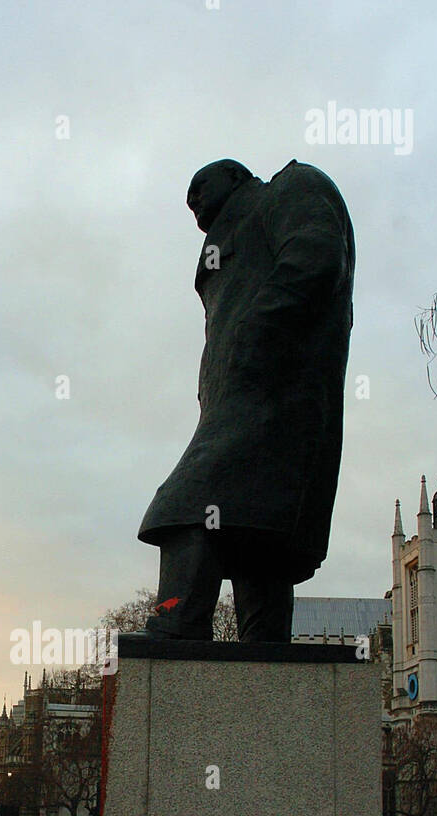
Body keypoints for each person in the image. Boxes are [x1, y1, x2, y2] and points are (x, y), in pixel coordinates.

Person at [139, 158, 355, 642]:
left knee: (187, 505)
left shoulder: (291, 187)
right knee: (256, 522)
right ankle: (266, 646)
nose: (192, 197)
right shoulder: (224, 240)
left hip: (277, 393)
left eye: (200, 184)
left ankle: (177, 622)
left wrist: (259, 333)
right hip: (238, 397)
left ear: (236, 177)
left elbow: (315, 257)